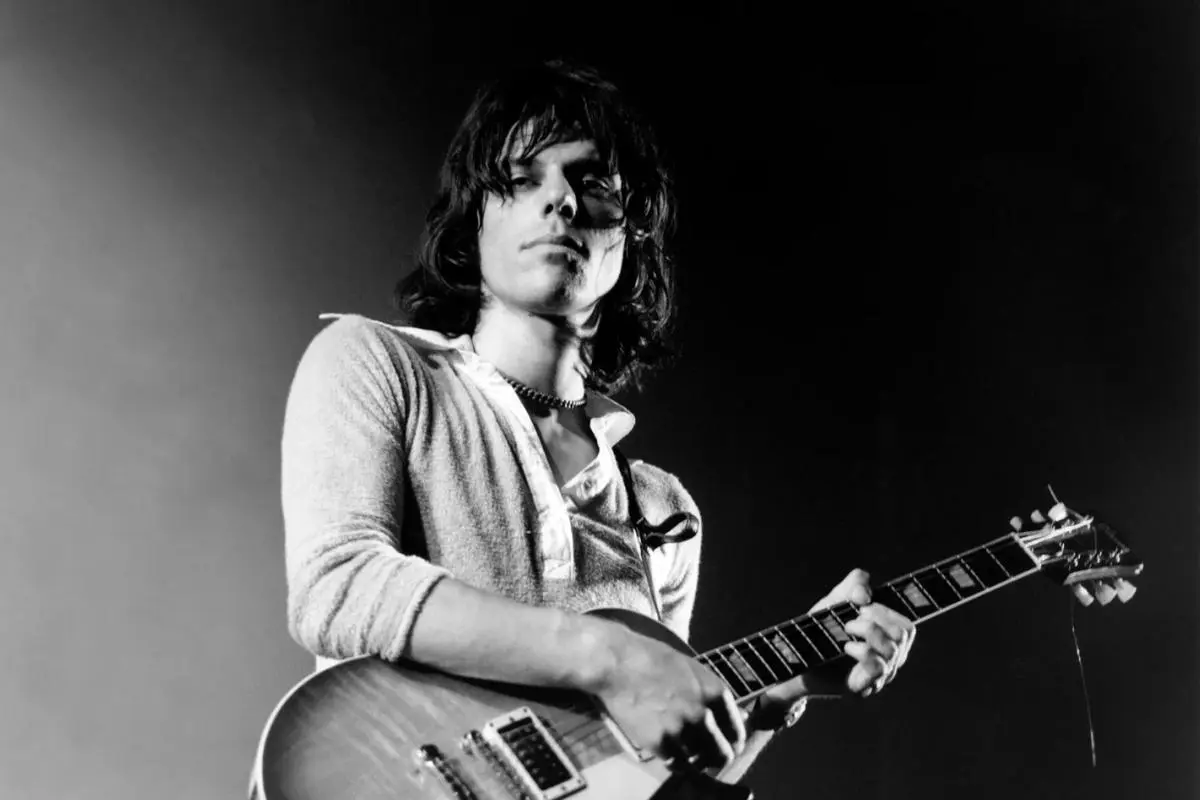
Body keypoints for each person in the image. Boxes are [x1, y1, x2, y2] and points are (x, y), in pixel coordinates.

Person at [277, 59, 916, 787]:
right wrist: (613, 656)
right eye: (522, 179)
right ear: (472, 219)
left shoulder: (663, 512)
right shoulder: (374, 362)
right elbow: (340, 584)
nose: (562, 204)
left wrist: (779, 697)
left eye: (593, 182)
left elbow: (649, 779)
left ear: (633, 231)